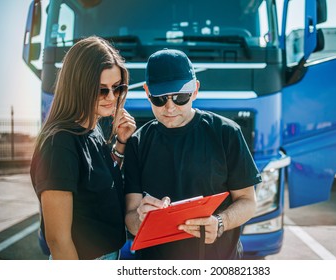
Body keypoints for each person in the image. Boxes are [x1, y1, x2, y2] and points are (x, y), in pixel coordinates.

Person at [123, 49, 261, 259]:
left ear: (195, 90)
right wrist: (140, 218)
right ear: (146, 92)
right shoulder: (137, 142)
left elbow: (248, 201)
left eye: (180, 97)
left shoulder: (226, 133)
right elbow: (130, 218)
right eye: (159, 99)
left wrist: (220, 223)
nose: (170, 107)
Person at [30, 36, 136, 260]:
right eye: (101, 90)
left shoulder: (92, 129)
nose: (111, 98)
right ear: (78, 87)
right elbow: (58, 241)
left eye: (117, 88)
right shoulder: (59, 143)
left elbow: (97, 182)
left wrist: (121, 143)